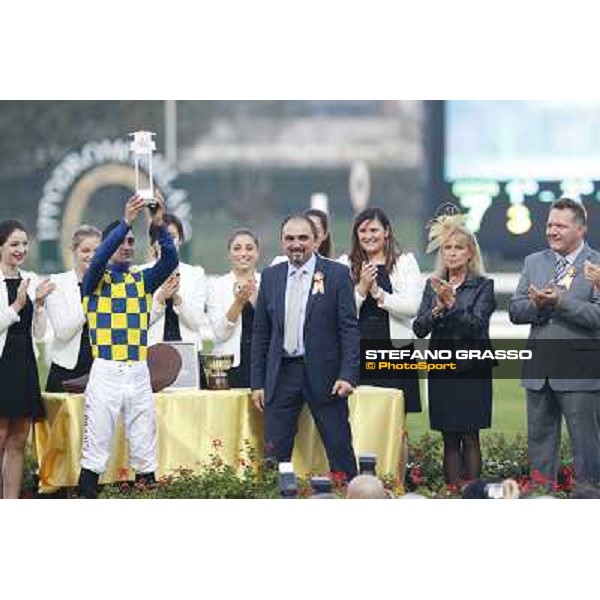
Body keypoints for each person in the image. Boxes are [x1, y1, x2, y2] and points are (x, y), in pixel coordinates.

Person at [77, 193, 177, 498]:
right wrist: (126, 222)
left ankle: (146, 495)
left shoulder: (142, 280)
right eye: (121, 241)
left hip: (137, 371)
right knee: (96, 446)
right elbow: (97, 259)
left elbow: (170, 260)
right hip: (106, 371)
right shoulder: (93, 279)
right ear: (109, 246)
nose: (127, 246)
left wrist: (157, 223)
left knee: (145, 443)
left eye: (132, 242)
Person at [251, 214, 360, 481]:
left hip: (326, 375)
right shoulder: (271, 276)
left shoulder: (336, 274)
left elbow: (349, 329)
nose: (296, 244)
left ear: (317, 240)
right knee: (274, 453)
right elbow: (261, 333)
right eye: (290, 238)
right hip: (282, 375)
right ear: (281, 242)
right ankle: (276, 498)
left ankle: (352, 496)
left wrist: (348, 375)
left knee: (339, 448)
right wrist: (257, 382)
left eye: (303, 238)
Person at [509, 197, 600, 486]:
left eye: (560, 225)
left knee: (586, 449)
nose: (552, 231)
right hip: (538, 372)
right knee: (540, 450)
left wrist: (559, 303)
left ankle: (590, 502)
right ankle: (541, 500)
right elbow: (515, 310)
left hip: (581, 373)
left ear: (581, 229)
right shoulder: (534, 262)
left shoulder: (597, 264)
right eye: (549, 225)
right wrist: (538, 305)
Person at [413, 209, 496, 486]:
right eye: (447, 248)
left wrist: (452, 304)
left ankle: (473, 493)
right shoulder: (432, 285)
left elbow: (476, 325)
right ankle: (451, 494)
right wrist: (438, 309)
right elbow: (419, 328)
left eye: (458, 248)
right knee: (449, 437)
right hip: (443, 369)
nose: (452, 253)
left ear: (470, 253)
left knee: (470, 436)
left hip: (472, 368)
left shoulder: (483, 286)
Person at [349, 207, 422, 413]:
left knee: (396, 422)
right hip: (358, 352)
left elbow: (412, 307)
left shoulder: (404, 262)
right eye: (362, 231)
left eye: (374, 230)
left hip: (395, 351)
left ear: (386, 231)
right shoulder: (346, 264)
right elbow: (342, 312)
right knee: (360, 418)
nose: (368, 236)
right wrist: (362, 289)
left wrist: (379, 294)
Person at [0, 220, 54, 498]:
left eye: (24, 244)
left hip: (24, 362)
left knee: (19, 438)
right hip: (2, 364)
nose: (21, 249)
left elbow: (40, 333)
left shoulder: (29, 278)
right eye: (14, 244)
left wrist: (40, 304)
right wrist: (17, 305)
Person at [44, 225, 102, 392]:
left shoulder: (110, 283)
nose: (91, 256)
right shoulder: (57, 283)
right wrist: (90, 300)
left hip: (102, 369)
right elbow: (63, 331)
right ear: (74, 250)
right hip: (66, 370)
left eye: (97, 251)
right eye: (85, 250)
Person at [146, 212, 210, 348]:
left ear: (180, 239)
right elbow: (139, 323)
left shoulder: (196, 274)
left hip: (188, 350)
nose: (166, 242)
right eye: (160, 237)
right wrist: (161, 298)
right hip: (152, 352)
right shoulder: (141, 273)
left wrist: (177, 298)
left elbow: (197, 322)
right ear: (153, 242)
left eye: (171, 236)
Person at [207, 229, 261, 388]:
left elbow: (274, 327)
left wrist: (256, 299)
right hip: (228, 366)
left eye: (249, 248)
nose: (243, 253)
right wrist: (238, 302)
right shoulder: (216, 286)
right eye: (237, 248)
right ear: (229, 254)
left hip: (262, 364)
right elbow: (220, 333)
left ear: (257, 253)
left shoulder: (268, 282)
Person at [271, 208, 335, 265]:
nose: (312, 236)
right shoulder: (280, 263)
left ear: (325, 234)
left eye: (316, 231)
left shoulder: (335, 268)